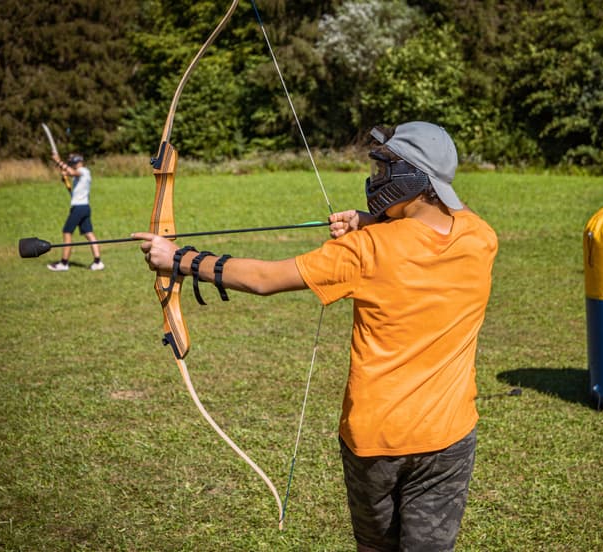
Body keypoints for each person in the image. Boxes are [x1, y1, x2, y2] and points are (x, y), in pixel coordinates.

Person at [136, 121, 498, 551]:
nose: (376, 179)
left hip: (376, 442)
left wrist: (180, 257)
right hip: (450, 437)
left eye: (386, 170)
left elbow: (265, 279)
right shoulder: (480, 236)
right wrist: (372, 220)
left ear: (413, 179)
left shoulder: (366, 251)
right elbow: (436, 227)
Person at [47, 152, 105, 271]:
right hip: (83, 207)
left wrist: (58, 161)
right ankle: (98, 262)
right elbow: (73, 190)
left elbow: (73, 172)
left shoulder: (83, 171)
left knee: (67, 232)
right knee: (89, 234)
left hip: (79, 208)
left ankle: (64, 263)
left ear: (78, 162)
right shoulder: (80, 175)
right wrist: (66, 180)